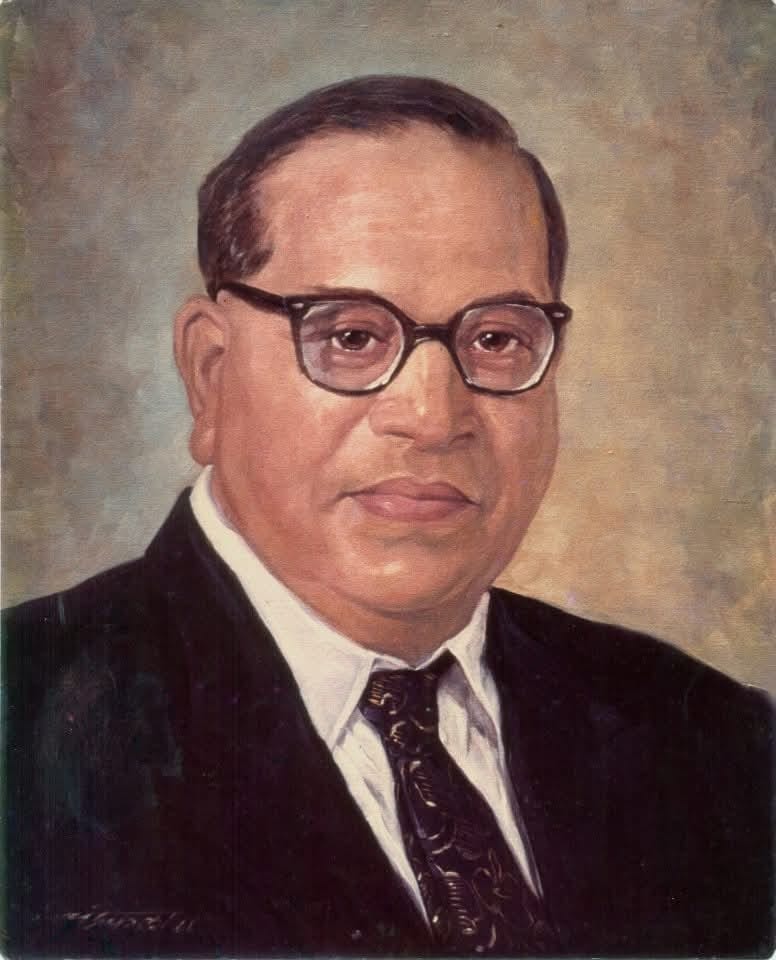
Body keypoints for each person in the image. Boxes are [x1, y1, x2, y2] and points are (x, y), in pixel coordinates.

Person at [3, 75, 772, 958]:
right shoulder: (24, 728)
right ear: (210, 374)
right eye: (352, 335)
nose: (434, 417)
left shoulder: (719, 744)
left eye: (497, 338)